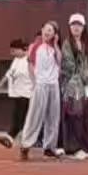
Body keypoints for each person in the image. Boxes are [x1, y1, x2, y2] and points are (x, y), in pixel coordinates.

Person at [18, 22, 63, 161]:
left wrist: (56, 44)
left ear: (55, 34)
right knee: (35, 116)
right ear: (42, 30)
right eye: (46, 29)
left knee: (53, 117)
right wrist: (34, 82)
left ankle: (49, 148)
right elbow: (30, 65)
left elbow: (59, 61)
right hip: (40, 84)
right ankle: (25, 145)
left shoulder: (54, 48)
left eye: (51, 31)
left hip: (53, 85)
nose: (48, 32)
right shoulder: (35, 46)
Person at [60, 14, 88, 159]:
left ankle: (87, 147)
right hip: (73, 85)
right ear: (70, 27)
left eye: (79, 25)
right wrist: (85, 75)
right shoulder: (66, 44)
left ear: (83, 27)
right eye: (73, 25)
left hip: (87, 86)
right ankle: (74, 148)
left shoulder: (87, 44)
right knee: (75, 115)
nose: (76, 27)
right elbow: (69, 66)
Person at [0, 38, 33, 148]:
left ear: (21, 49)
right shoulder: (16, 60)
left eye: (14, 50)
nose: (12, 53)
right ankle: (12, 138)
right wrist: (1, 83)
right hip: (16, 93)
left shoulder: (29, 60)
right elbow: (10, 73)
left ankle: (15, 138)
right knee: (17, 116)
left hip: (26, 94)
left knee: (22, 117)